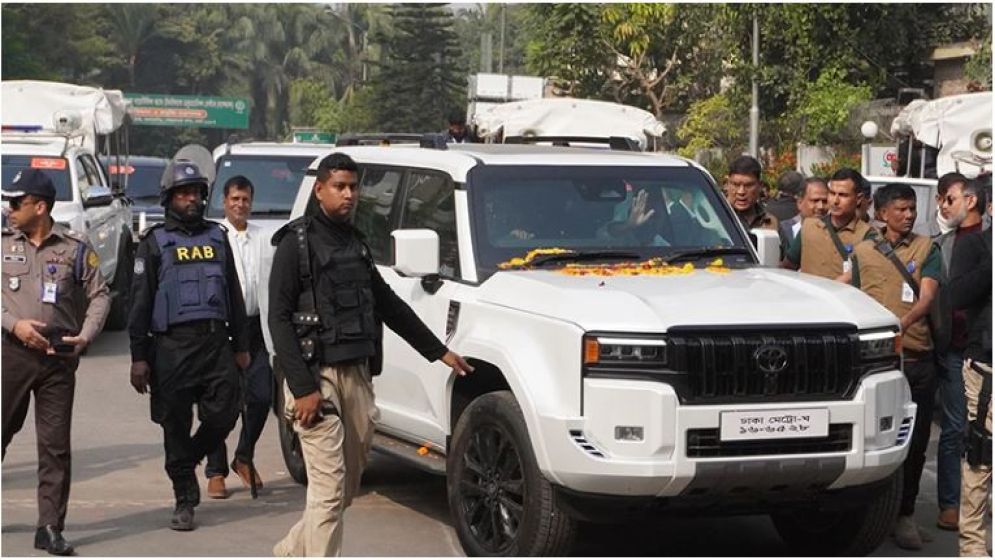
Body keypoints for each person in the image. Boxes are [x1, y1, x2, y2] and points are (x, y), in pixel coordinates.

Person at [270, 153, 473, 557]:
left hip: (358, 377)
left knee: (343, 491)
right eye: (339, 187)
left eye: (353, 187)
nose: (348, 195)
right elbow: (279, 319)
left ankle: (289, 552)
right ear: (319, 190)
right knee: (328, 493)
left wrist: (439, 352)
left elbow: (389, 305)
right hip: (317, 378)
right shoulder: (296, 244)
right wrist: (303, 388)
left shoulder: (356, 244)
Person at [128, 160, 251, 531]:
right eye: (183, 193)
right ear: (169, 198)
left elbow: (234, 293)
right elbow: (139, 303)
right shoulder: (153, 243)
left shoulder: (217, 237)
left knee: (226, 411)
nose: (192, 199)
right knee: (175, 425)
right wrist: (139, 357)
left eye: (196, 193)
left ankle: (189, 458)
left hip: (214, 342)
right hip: (171, 348)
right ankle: (184, 499)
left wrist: (241, 344)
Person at [1, 169, 111, 555]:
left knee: (55, 447)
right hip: (12, 354)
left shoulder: (75, 247)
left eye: (17, 202)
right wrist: (14, 325)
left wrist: (86, 334)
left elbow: (100, 294)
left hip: (57, 359)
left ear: (40, 207)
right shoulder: (3, 243)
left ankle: (49, 527)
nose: (10, 209)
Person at [849, 183, 942, 550]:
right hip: (875, 366)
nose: (908, 215)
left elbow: (927, 297)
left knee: (916, 444)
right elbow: (854, 297)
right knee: (873, 443)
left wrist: (898, 327)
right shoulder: (862, 251)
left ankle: (904, 514)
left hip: (917, 359)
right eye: (901, 209)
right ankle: (871, 514)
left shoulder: (927, 248)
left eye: (911, 209)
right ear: (882, 213)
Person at [203, 176, 273, 499]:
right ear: (224, 202)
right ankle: (215, 471)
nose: (240, 205)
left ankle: (244, 456)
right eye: (234, 199)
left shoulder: (263, 238)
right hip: (222, 329)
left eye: (245, 199)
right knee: (218, 402)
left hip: (256, 327)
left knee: (261, 395)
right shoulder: (213, 237)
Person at [930, 172, 987, 531]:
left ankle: (977, 502)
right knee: (954, 427)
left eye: (949, 199)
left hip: (984, 349)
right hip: (953, 348)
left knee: (981, 429)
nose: (943, 206)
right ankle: (950, 503)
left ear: (971, 200)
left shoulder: (986, 240)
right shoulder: (942, 244)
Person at [948, 184, 991, 557]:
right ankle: (973, 548)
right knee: (980, 458)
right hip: (984, 367)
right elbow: (957, 295)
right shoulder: (976, 245)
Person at [782, 167, 875, 281]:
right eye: (832, 193)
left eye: (843, 195)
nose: (835, 201)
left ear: (859, 199)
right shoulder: (809, 227)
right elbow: (787, 268)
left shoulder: (868, 235)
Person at [723, 155, 778, 232]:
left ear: (760, 186)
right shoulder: (716, 218)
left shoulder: (770, 222)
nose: (741, 192)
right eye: (736, 185)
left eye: (748, 185)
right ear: (727, 184)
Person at [777, 177, 829, 251]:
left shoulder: (835, 234)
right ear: (800, 203)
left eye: (825, 201)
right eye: (815, 200)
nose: (821, 206)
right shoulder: (783, 232)